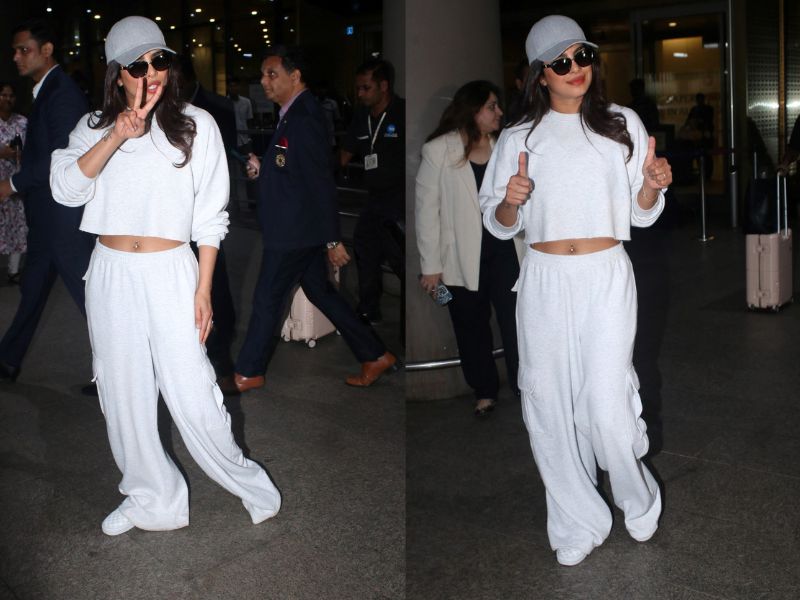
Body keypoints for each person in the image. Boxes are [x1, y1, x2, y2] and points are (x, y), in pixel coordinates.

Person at [49, 16, 280, 535]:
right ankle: (153, 499)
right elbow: (65, 190)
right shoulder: (92, 128)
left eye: (160, 60)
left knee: (193, 389)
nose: (151, 73)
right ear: (116, 74)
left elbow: (211, 217)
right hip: (111, 271)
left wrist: (204, 289)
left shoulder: (196, 125)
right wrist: (116, 135)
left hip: (171, 270)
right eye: (137, 65)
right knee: (122, 392)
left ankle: (249, 484)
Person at [479, 15, 672, 566]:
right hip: (543, 279)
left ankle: (637, 495)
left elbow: (642, 212)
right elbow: (499, 224)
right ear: (540, 74)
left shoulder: (621, 124)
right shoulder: (519, 137)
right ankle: (576, 519)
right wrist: (511, 200)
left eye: (582, 55)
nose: (575, 68)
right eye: (560, 62)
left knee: (608, 405)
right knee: (547, 403)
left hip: (606, 274)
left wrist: (650, 186)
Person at [233, 45, 396, 393]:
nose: (264, 81)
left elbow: (320, 183)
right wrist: (264, 167)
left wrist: (333, 239)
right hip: (297, 227)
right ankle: (374, 355)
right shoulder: (292, 114)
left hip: (294, 232)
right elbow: (291, 168)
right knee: (322, 292)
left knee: (267, 298)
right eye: (263, 74)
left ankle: (248, 371)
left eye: (272, 74)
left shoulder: (304, 117)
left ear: (295, 76)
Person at [416, 80, 523, 417]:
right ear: (473, 109)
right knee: (470, 326)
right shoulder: (439, 149)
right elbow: (426, 210)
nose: (499, 112)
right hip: (461, 256)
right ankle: (484, 390)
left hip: (507, 250)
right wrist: (431, 266)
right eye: (492, 106)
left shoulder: (507, 146)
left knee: (518, 322)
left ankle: (526, 387)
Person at [0, 18, 94, 383]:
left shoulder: (62, 92)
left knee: (91, 299)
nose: (17, 57)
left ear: (47, 50)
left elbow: (60, 157)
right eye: (15, 51)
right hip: (46, 216)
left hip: (62, 217)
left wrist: (12, 183)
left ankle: (123, 374)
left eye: (24, 49)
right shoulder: (45, 90)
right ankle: (8, 357)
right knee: (33, 288)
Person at [340, 58, 405, 325]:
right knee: (364, 247)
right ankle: (369, 309)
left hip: (401, 199)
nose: (360, 93)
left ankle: (422, 311)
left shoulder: (402, 112)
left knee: (401, 258)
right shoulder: (362, 116)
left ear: (384, 86)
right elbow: (345, 154)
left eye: (366, 88)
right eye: (358, 88)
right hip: (375, 199)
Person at [0, 82, 27, 285]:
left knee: (18, 226)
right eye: (3, 95)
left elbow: (34, 148)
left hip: (15, 183)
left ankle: (13, 270)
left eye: (10, 96)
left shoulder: (22, 122)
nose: (7, 99)